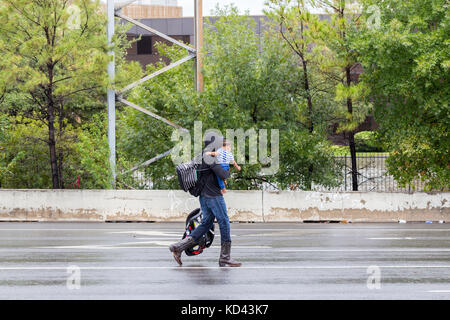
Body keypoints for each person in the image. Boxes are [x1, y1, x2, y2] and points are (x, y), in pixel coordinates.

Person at [169, 135, 242, 267]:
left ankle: (178, 247)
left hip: (204, 195)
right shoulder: (211, 158)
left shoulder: (202, 155)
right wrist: (227, 168)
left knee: (206, 223)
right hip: (213, 196)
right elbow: (223, 174)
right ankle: (225, 257)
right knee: (224, 222)